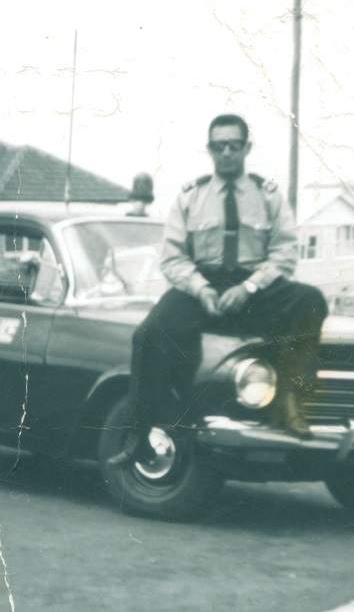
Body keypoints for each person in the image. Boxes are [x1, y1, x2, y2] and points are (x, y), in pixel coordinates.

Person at [109, 113, 328, 465]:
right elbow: (173, 259)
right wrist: (201, 289)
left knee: (309, 301)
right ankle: (140, 433)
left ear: (246, 148)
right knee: (149, 334)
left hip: (253, 289)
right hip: (203, 286)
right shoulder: (190, 197)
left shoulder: (268, 195)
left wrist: (249, 287)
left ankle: (290, 404)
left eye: (234, 145)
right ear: (209, 149)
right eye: (219, 146)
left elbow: (285, 253)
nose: (226, 152)